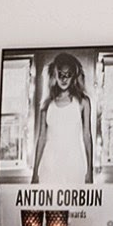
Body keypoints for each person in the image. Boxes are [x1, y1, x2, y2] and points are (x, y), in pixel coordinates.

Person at [30, 52, 94, 185]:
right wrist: (35, 172)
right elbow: (41, 138)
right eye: (60, 74)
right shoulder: (47, 105)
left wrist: (90, 171)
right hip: (50, 165)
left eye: (68, 74)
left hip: (74, 164)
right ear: (55, 75)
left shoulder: (83, 102)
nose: (64, 79)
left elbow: (87, 136)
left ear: (74, 76)